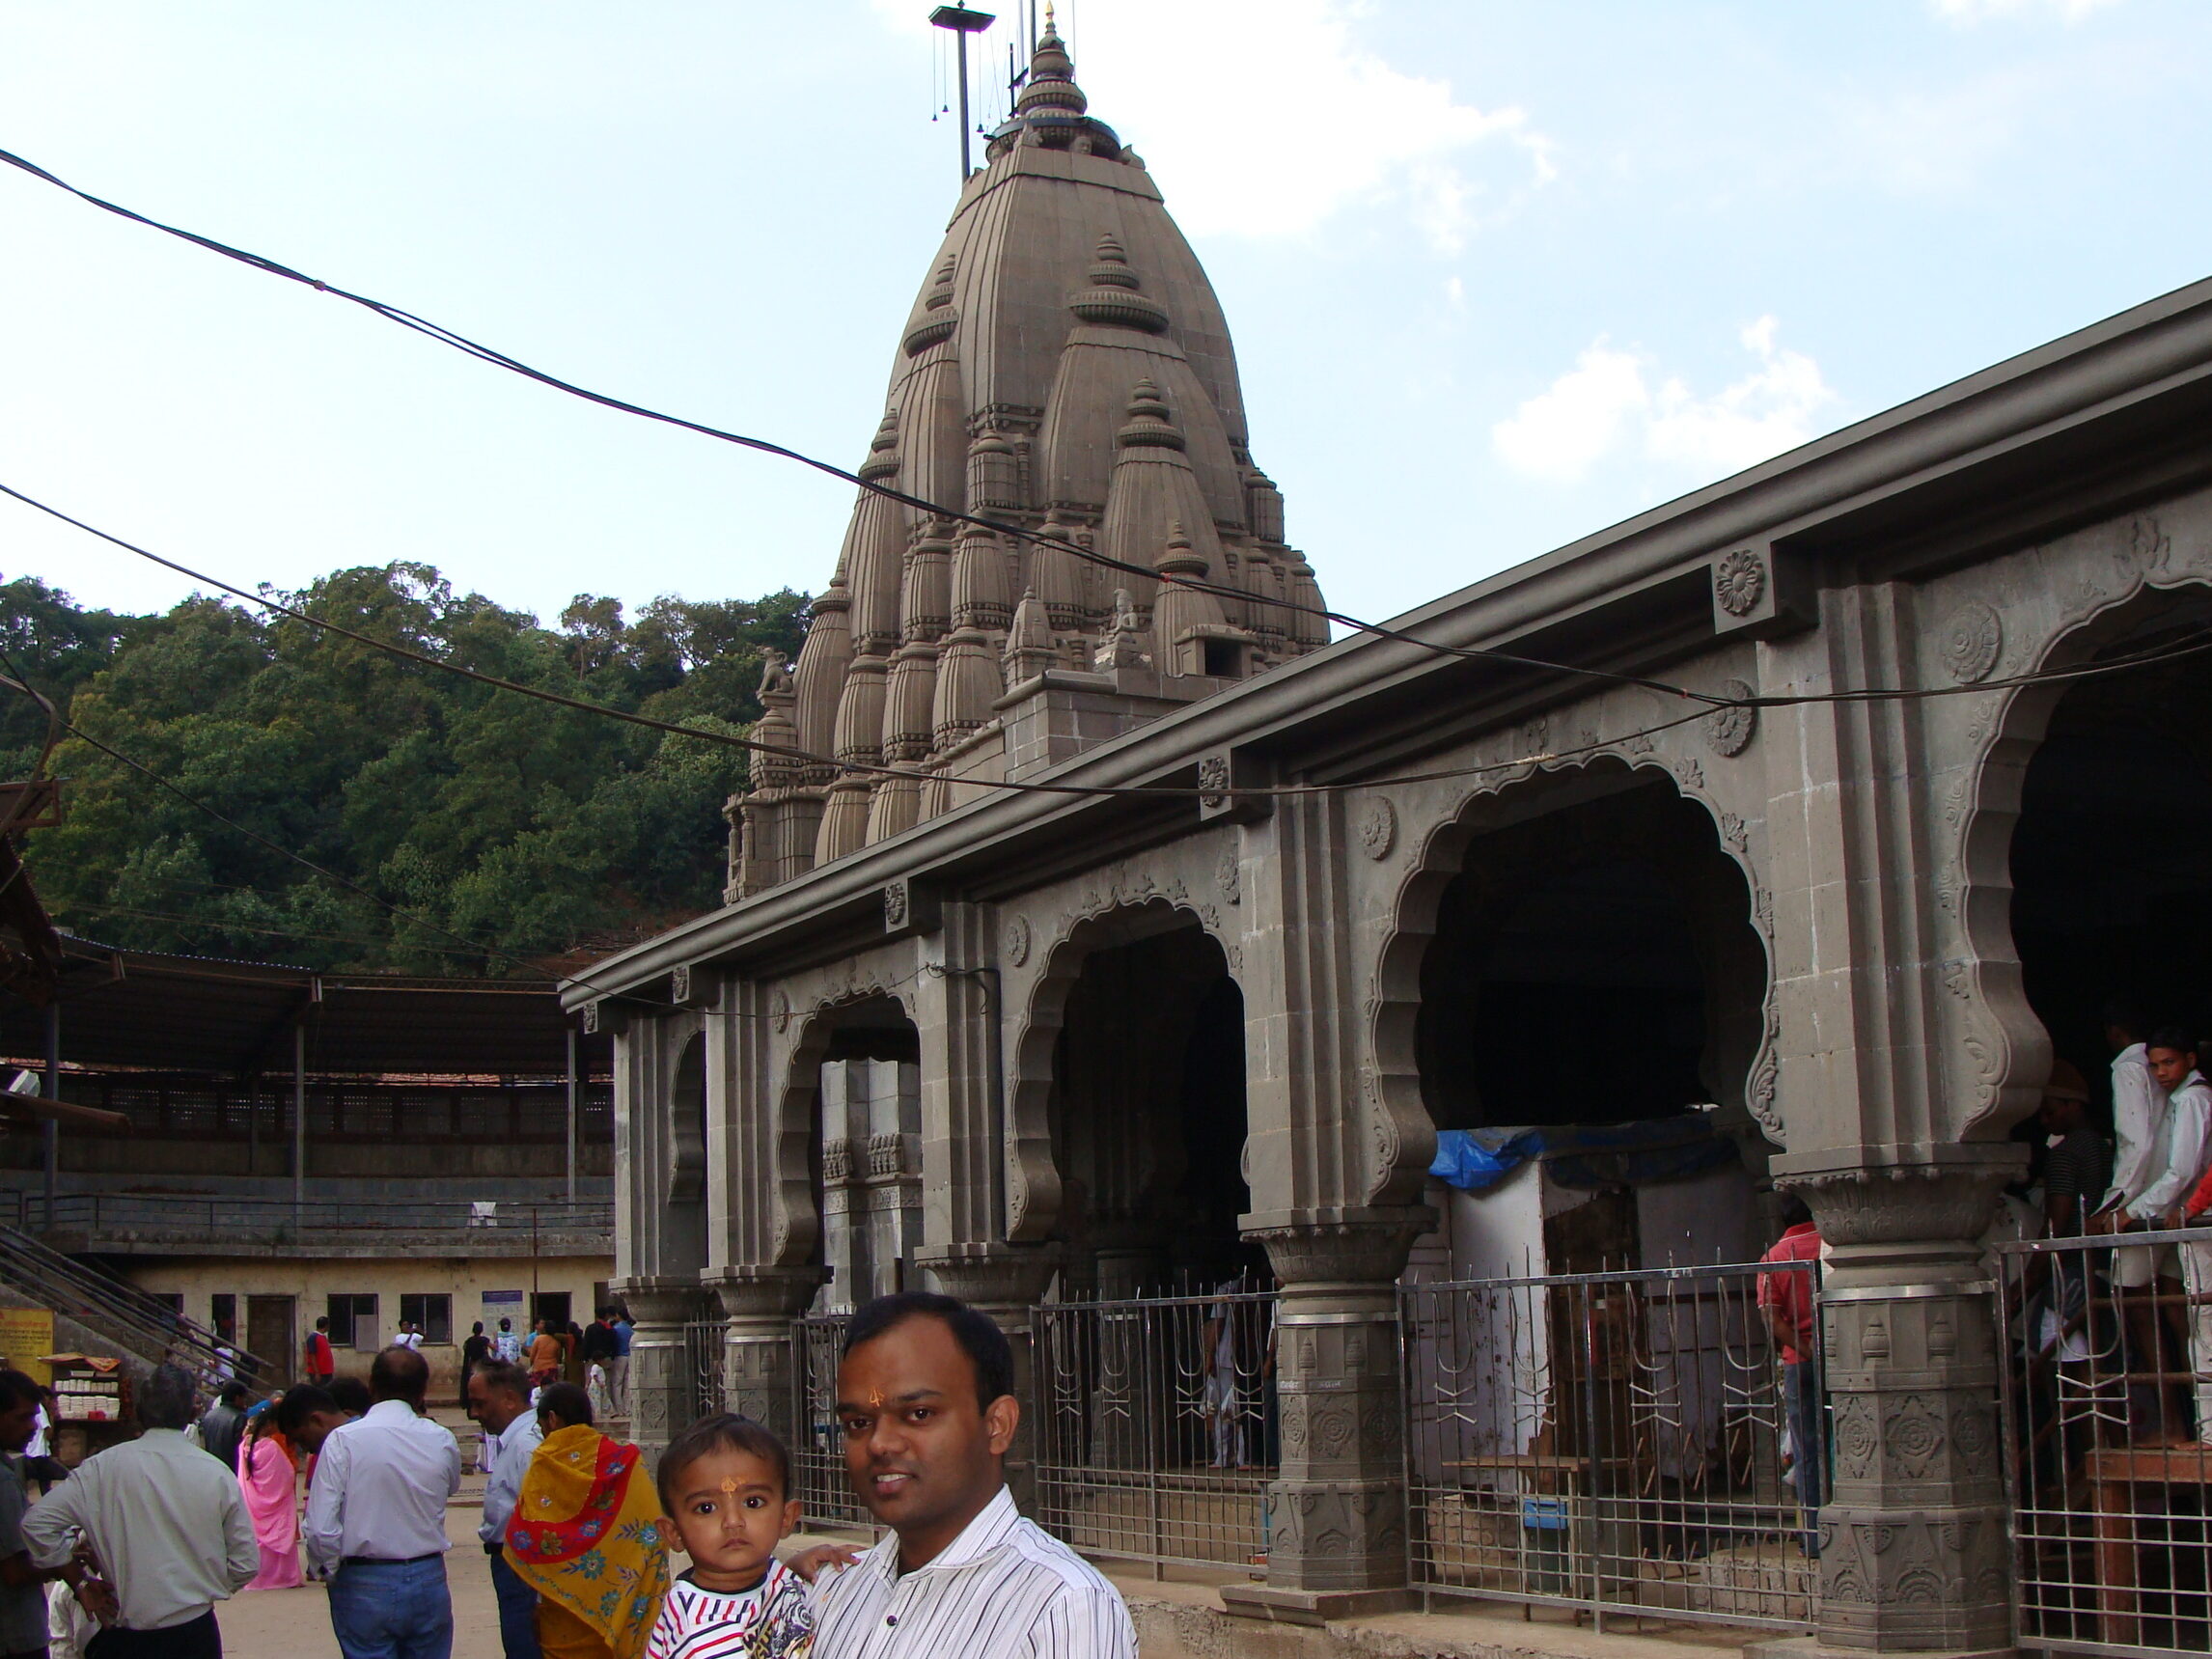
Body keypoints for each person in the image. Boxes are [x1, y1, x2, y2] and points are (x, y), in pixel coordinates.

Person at [814, 1291, 1136, 1659]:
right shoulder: (832, 1592)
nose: (880, 1444)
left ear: (998, 1425)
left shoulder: (1064, 1609)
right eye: (858, 1423)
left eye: (919, 1414)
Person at [24, 1364, 258, 1658]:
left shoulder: (100, 1469)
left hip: (124, 1632)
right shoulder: (216, 1473)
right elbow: (245, 1564)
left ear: (137, 1412)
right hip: (194, 1631)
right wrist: (200, 1585)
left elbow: (37, 1524)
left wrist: (80, 1582)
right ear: (192, 1413)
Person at [302, 1346, 461, 1659]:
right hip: (427, 1574)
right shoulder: (441, 1439)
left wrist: (332, 1571)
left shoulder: (343, 1440)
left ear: (371, 1386)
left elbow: (320, 1528)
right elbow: (450, 1486)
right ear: (422, 1392)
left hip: (365, 1577)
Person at [503, 1383, 667, 1659]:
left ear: (552, 1419)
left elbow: (528, 1532)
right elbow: (650, 1527)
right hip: (614, 1609)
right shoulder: (625, 1460)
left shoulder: (546, 1460)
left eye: (542, 1428)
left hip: (562, 1612)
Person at [646, 1414, 812, 1659]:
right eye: (706, 1508)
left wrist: (800, 1564)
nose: (733, 1521)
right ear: (674, 1533)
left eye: (753, 1502)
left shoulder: (763, 1573)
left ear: (786, 1518)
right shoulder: (703, 1632)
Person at [0, 1369, 94, 1659]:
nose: (33, 1427)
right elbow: (14, 1571)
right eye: (23, 1418)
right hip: (15, 1635)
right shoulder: (3, 1482)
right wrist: (65, 1564)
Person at [1757, 1195, 1823, 1557]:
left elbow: (1772, 1319)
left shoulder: (1775, 1257)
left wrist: (1806, 1350)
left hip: (1799, 1361)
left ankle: (1814, 1537)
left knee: (1806, 1450)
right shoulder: (1829, 1246)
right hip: (1841, 1356)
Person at [466, 1362, 542, 1659]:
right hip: (512, 1565)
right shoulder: (516, 1442)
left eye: (480, 1404)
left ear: (509, 1399)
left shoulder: (527, 1446)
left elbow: (543, 1519)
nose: (474, 1414)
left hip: (523, 1569)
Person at [235, 1407, 304, 1592]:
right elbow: (286, 1473)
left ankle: (260, 1577)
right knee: (279, 1535)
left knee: (259, 1540)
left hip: (253, 1500)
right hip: (276, 1501)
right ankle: (283, 1577)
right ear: (268, 1425)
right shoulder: (270, 1447)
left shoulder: (244, 1446)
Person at [196, 1382, 249, 1475]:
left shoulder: (209, 1415)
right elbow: (241, 1450)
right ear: (237, 1398)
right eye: (244, 1398)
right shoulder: (240, 1418)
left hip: (212, 1467)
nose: (245, 1402)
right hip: (231, 1470)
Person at [460, 1325, 492, 1413]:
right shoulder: (484, 1340)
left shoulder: (469, 1341)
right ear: (481, 1330)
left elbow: (466, 1351)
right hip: (481, 1367)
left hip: (471, 1367)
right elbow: (494, 1347)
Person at [607, 1313, 632, 1416]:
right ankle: (628, 1409)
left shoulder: (616, 1329)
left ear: (618, 1316)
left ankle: (619, 1409)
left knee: (617, 1383)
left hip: (619, 1356)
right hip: (630, 1356)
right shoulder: (630, 1329)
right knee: (627, 1384)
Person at [526, 1324, 563, 1393]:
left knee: (536, 1390)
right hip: (552, 1369)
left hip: (539, 1368)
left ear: (545, 1329)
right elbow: (558, 1358)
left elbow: (532, 1354)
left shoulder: (538, 1339)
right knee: (551, 1391)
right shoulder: (556, 1343)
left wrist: (532, 1364)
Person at [304, 1319, 337, 1388]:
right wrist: (317, 1373)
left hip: (327, 1371)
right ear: (326, 1326)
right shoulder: (313, 1337)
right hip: (319, 1372)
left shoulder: (323, 1337)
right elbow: (312, 1356)